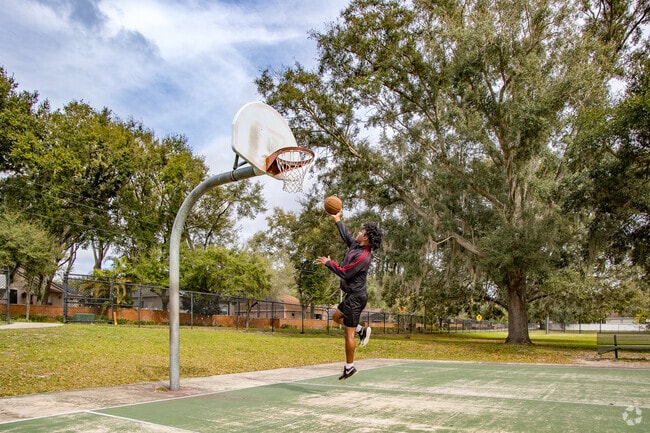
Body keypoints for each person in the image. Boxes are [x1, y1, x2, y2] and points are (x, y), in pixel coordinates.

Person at [316, 210, 383, 380]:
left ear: (366, 238)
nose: (358, 233)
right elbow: (346, 236)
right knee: (336, 317)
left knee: (348, 334)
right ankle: (362, 330)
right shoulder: (356, 245)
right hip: (351, 296)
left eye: (362, 232)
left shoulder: (364, 257)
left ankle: (349, 367)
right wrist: (337, 218)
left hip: (356, 298)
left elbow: (345, 273)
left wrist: (329, 263)